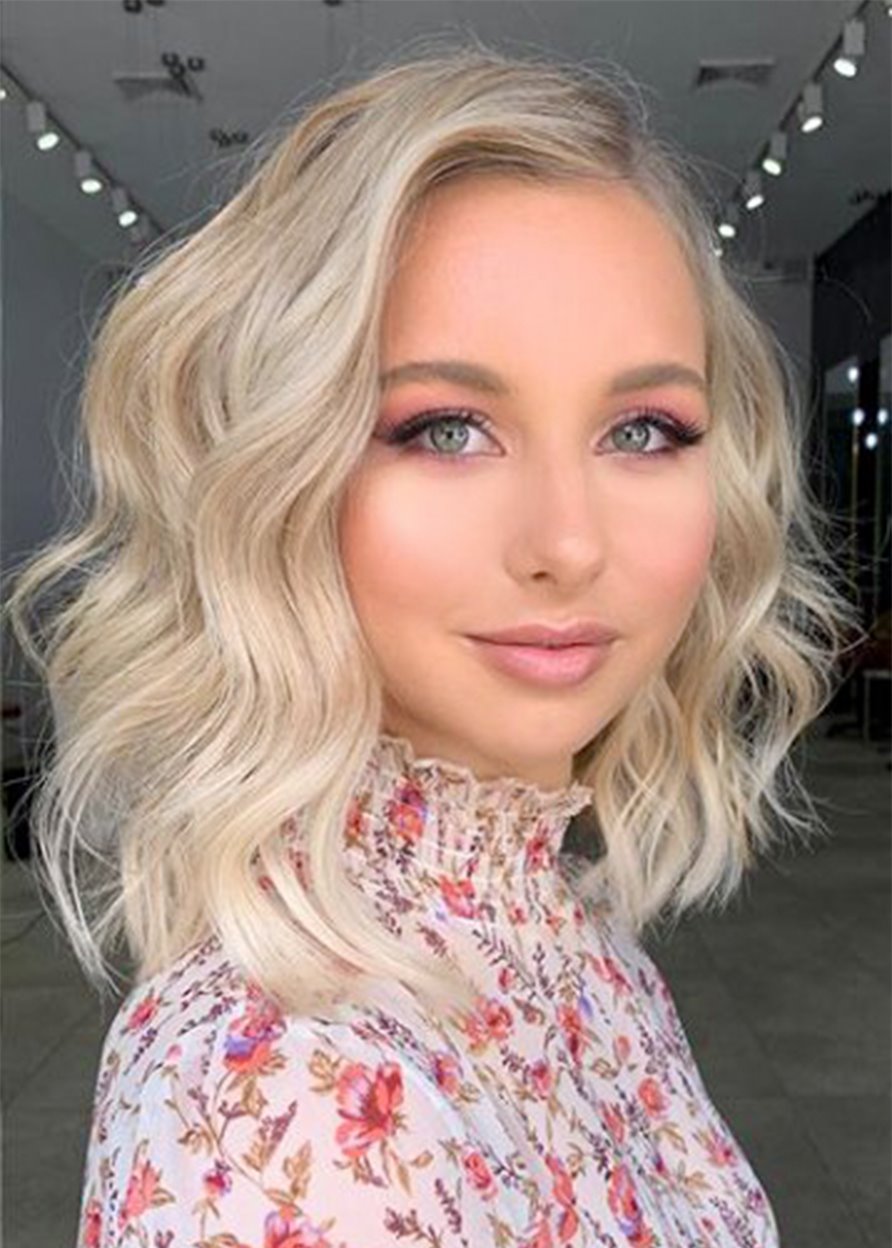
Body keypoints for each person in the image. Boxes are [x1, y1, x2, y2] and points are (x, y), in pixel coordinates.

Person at [4, 40, 862, 1248]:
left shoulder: (565, 931)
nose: (568, 542)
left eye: (643, 430)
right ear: (273, 477)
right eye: (447, 428)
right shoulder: (288, 1115)